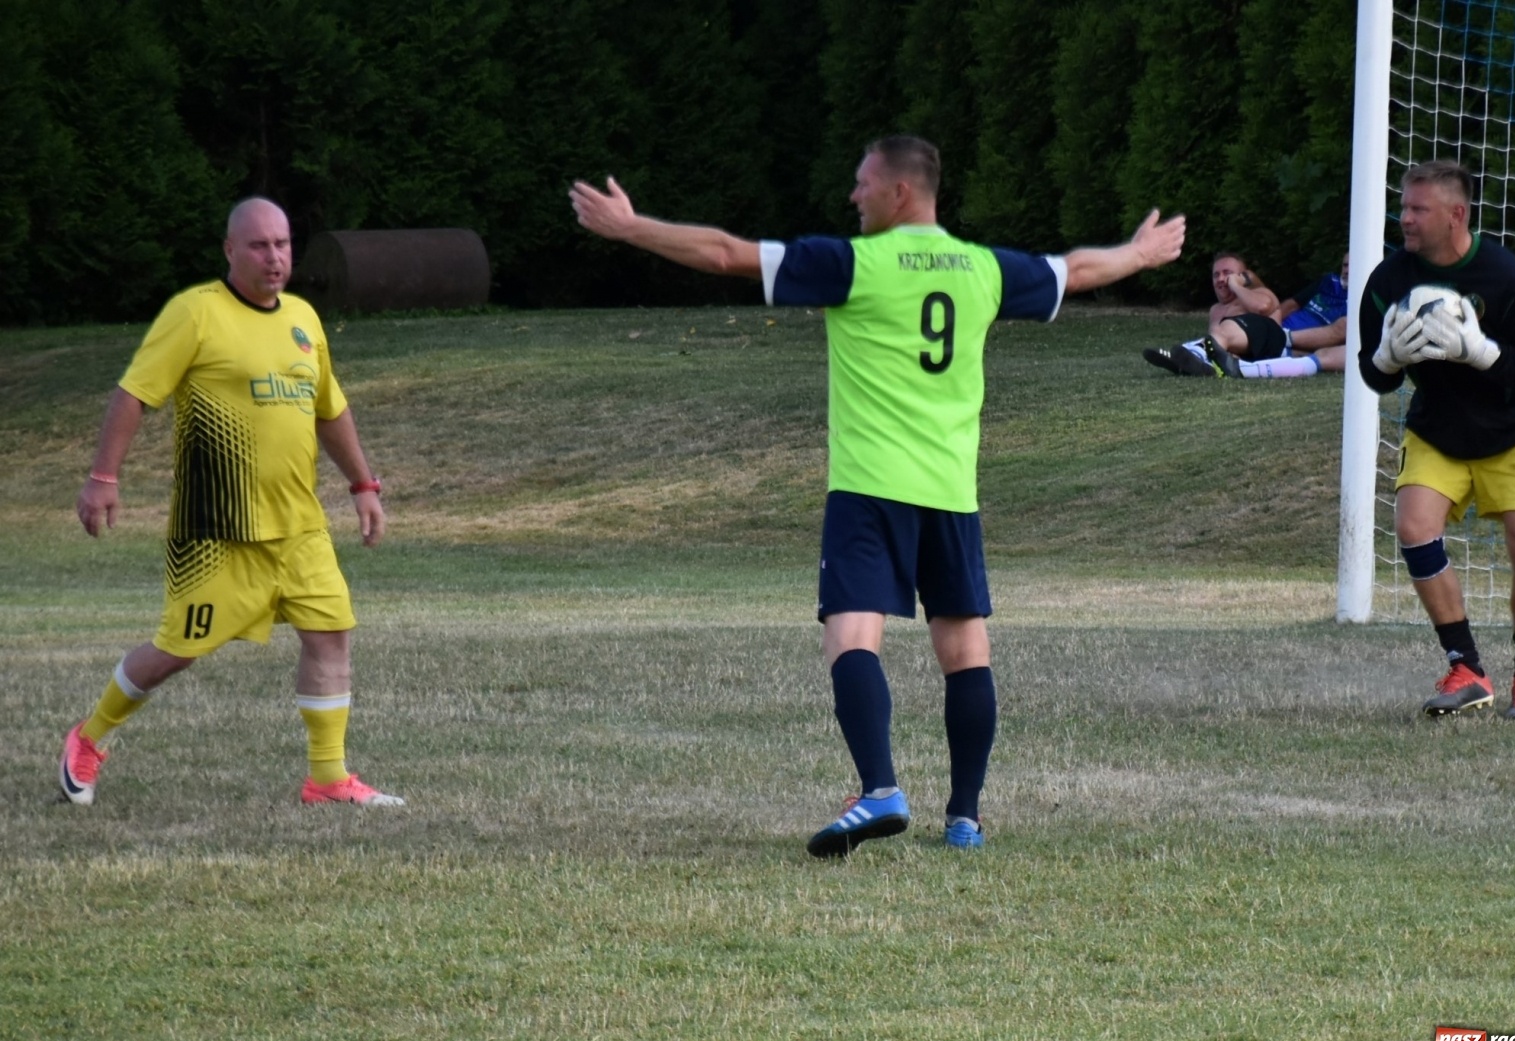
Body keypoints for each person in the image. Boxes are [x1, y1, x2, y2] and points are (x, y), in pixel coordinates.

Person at [570, 135, 1184, 855]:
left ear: (900, 192)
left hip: (869, 491)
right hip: (952, 492)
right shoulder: (984, 268)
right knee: (965, 650)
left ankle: (882, 789)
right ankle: (965, 817)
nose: (853, 196)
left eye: (863, 183)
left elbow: (726, 254)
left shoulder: (854, 265)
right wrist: (1140, 255)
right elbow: (1076, 270)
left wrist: (631, 227)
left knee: (851, 637)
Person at [61, 197, 404, 807]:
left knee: (331, 634)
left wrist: (363, 485)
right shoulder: (195, 314)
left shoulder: (302, 319)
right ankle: (88, 739)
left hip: (299, 528)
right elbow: (133, 395)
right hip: (215, 533)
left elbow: (330, 409)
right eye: (258, 245)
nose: (274, 258)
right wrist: (102, 478)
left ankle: (327, 778)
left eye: (283, 245)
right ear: (229, 250)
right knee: (176, 652)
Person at [1357, 160, 1515, 720]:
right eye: (1403, 207)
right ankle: (1466, 666)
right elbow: (1374, 377)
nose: (1406, 219)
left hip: (1514, 430)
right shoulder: (1388, 282)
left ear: (1457, 215)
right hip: (1438, 430)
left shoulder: (1507, 277)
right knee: (1413, 526)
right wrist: (1385, 358)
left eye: (1418, 209)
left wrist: (1484, 353)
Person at [1143, 252, 1349, 378]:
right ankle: (1195, 358)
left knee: (1230, 329)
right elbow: (1291, 305)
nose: (1222, 279)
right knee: (1223, 334)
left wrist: (1238, 284)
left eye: (1228, 273)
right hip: (1269, 347)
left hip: (1275, 339)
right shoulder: (1216, 310)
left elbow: (1264, 308)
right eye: (1216, 274)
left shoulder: (1260, 294)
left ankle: (1194, 352)